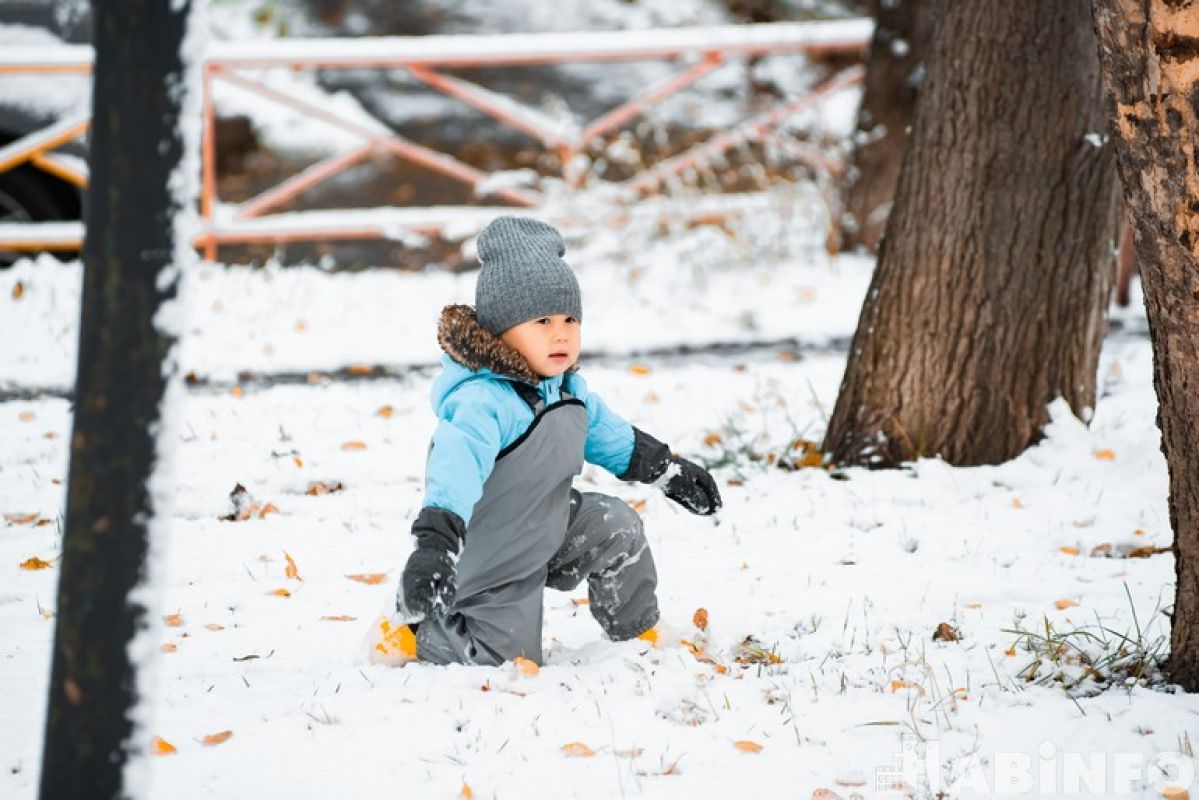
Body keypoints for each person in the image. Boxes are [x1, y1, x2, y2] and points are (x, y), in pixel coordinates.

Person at [378, 216, 721, 667]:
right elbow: (453, 476)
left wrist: (668, 472)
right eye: (542, 320)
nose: (560, 333)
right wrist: (435, 548)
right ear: (502, 329)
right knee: (508, 658)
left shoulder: (566, 390)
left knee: (616, 525)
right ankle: (415, 632)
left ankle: (638, 630)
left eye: (569, 320)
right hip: (492, 551)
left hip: (552, 523)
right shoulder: (482, 403)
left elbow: (611, 437)